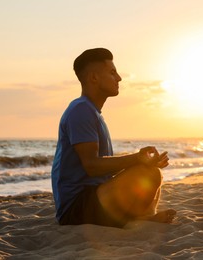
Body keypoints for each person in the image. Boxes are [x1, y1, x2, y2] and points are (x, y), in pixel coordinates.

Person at [51, 48, 176, 228]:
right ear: (94, 78)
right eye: (112, 72)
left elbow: (101, 173)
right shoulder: (81, 110)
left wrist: (142, 161)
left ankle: (143, 218)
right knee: (148, 173)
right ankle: (140, 219)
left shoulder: (91, 111)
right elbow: (92, 166)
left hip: (93, 196)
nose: (119, 78)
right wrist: (136, 159)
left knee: (149, 170)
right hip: (76, 208)